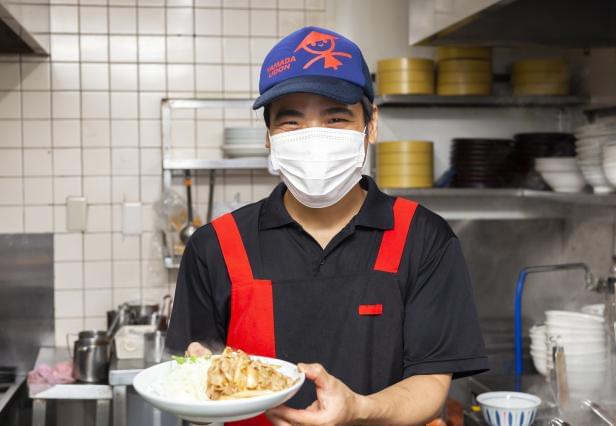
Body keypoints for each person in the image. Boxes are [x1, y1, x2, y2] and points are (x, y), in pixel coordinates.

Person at [166, 26, 488, 425]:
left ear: (370, 123)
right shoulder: (215, 246)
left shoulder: (422, 239)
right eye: (291, 122)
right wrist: (197, 374)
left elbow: (430, 382)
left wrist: (359, 409)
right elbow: (192, 373)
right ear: (268, 136)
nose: (314, 137)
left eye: (336, 118)